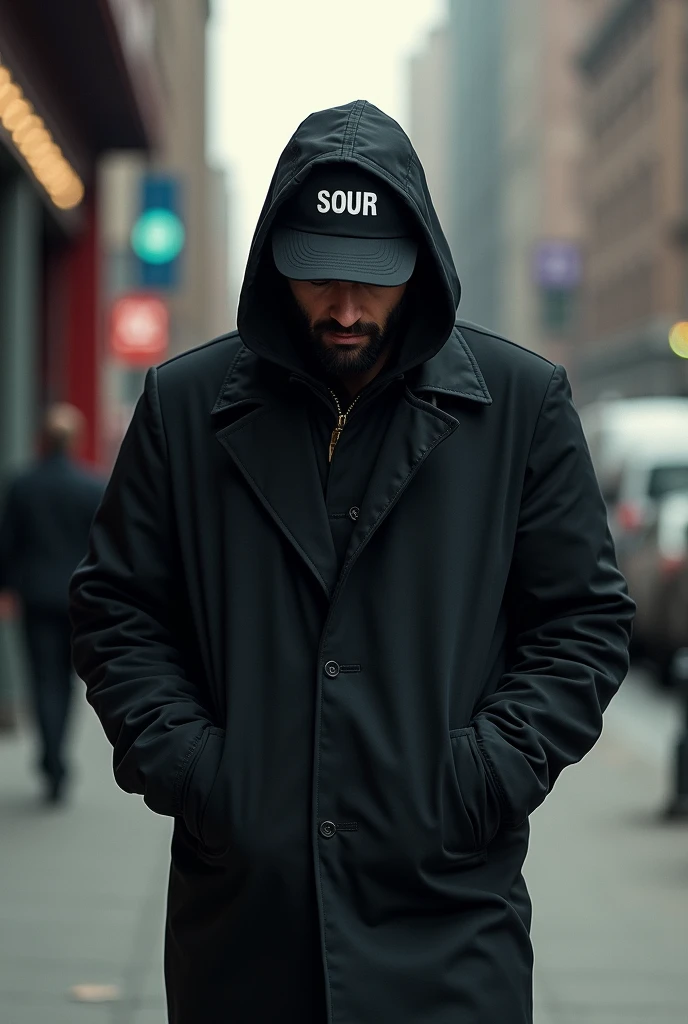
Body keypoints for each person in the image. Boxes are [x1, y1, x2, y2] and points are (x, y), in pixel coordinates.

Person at [69, 100, 635, 1024]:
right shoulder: (184, 406)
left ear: (421, 264)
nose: (344, 308)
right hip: (246, 925)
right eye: (318, 277)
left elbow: (583, 621)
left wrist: (484, 775)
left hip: (451, 915)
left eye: (373, 281)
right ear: (274, 264)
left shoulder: (521, 407)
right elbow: (116, 608)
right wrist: (201, 774)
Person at [0, 404, 104, 803]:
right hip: (77, 599)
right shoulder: (91, 486)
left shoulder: (23, 485)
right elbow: (102, 548)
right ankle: (59, 756)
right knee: (65, 679)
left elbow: (8, 543)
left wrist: (6, 587)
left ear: (42, 438)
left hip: (35, 597)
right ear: (74, 440)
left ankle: (50, 758)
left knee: (42, 678)